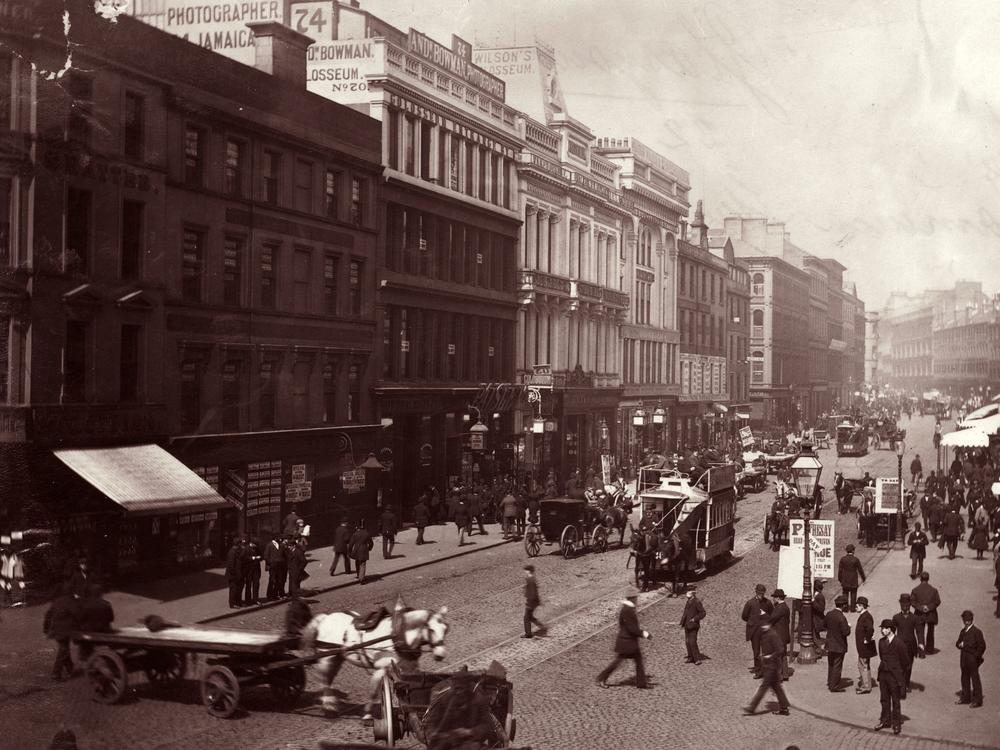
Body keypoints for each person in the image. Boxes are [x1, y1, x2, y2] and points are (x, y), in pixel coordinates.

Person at [596, 587, 651, 689]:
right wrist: (644, 634)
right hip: (627, 642)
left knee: (637, 660)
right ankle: (601, 678)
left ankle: (641, 683)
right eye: (636, 597)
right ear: (632, 598)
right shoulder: (627, 610)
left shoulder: (628, 609)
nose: (637, 599)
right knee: (619, 662)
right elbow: (632, 628)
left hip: (629, 641)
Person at [742, 613, 790, 716]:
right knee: (777, 688)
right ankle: (784, 707)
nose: (762, 627)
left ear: (768, 625)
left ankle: (752, 707)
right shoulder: (765, 633)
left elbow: (780, 649)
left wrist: (770, 656)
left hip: (772, 666)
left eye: (764, 625)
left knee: (763, 687)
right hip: (768, 665)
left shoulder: (772, 634)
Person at [874, 618, 906, 735]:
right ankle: (885, 720)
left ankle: (896, 723)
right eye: (882, 628)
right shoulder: (881, 642)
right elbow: (882, 657)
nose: (882, 630)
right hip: (883, 674)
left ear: (891, 630)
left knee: (895, 701)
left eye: (884, 628)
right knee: (884, 699)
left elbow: (905, 662)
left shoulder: (899, 643)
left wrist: (899, 674)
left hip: (894, 676)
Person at [43, 583, 80, 681]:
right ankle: (55, 674)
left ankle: (70, 669)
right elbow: (78, 614)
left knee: (64, 648)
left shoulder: (57, 601)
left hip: (56, 630)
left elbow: (48, 615)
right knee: (63, 650)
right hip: (65, 630)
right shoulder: (71, 601)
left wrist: (46, 629)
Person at [741, 583, 774, 678]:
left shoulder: (768, 603)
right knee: (756, 653)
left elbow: (772, 615)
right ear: (756, 592)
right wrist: (752, 622)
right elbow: (744, 616)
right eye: (760, 593)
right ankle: (758, 671)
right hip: (754, 632)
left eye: (763, 593)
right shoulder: (750, 603)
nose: (761, 595)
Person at [76, 583, 114, 662]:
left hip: (90, 631)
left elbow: (81, 618)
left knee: (82, 635)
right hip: (105, 631)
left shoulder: (85, 605)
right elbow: (111, 619)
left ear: (91, 593)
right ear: (101, 593)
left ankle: (84, 656)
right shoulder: (106, 604)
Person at [956, 609, 985, 707]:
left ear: (972, 620)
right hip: (964, 659)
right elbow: (957, 643)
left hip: (972, 659)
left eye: (968, 620)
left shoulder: (977, 632)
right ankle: (966, 697)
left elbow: (982, 646)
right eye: (965, 620)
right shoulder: (963, 631)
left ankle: (977, 700)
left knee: (975, 679)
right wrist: (959, 644)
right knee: (964, 678)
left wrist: (975, 656)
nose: (966, 622)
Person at [892, 593, 918, 693]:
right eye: (903, 605)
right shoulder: (896, 617)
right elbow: (892, 631)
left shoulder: (914, 618)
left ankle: (906, 684)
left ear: (910, 605)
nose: (905, 607)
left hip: (911, 646)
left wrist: (920, 643)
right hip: (899, 645)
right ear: (900, 605)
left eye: (907, 605)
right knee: (899, 665)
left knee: (908, 666)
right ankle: (900, 683)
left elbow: (919, 631)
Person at [910, 572, 941, 657]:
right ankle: (930, 649)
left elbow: (912, 602)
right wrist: (929, 607)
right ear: (928, 579)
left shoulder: (915, 590)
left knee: (920, 632)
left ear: (920, 579)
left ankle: (921, 650)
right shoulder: (934, 590)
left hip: (919, 614)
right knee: (930, 631)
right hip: (931, 614)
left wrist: (921, 608)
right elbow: (937, 601)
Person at [825, 595, 851, 692]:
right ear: (843, 605)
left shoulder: (829, 614)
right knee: (837, 665)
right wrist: (849, 627)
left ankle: (830, 681)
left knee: (831, 664)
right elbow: (846, 632)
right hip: (839, 645)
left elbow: (825, 625)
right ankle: (834, 685)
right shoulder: (842, 618)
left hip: (830, 643)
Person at [855, 596, 876, 694]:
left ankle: (866, 686)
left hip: (864, 647)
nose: (856, 607)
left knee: (863, 665)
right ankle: (866, 685)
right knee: (864, 665)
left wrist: (866, 639)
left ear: (862, 606)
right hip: (863, 646)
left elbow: (870, 629)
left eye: (858, 605)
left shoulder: (866, 616)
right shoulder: (865, 615)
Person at [680, 589, 705, 665]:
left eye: (688, 593)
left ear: (693, 594)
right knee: (687, 642)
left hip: (693, 625)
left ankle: (697, 659)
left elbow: (703, 613)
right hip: (687, 625)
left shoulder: (697, 602)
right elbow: (685, 613)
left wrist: (694, 619)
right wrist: (682, 622)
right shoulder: (688, 601)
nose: (686, 594)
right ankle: (690, 657)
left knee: (692, 642)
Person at [837, 544, 866, 611]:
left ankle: (845, 608)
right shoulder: (856, 559)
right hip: (853, 579)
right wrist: (863, 579)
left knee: (845, 594)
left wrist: (840, 579)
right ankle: (853, 608)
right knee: (853, 594)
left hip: (845, 580)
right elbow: (860, 570)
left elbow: (840, 571)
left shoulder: (843, 559)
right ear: (853, 551)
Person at [770, 589, 792, 680]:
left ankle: (779, 676)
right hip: (784, 635)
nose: (773, 599)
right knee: (783, 655)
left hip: (778, 636)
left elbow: (772, 619)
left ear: (778, 598)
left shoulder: (779, 608)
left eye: (774, 597)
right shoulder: (786, 607)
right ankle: (785, 674)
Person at [521, 565, 547, 639]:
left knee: (526, 618)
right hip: (533, 601)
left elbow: (533, 593)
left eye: (526, 570)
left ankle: (528, 634)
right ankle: (541, 626)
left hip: (531, 602)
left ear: (528, 571)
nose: (524, 572)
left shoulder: (530, 580)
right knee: (530, 617)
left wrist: (530, 603)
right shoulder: (531, 578)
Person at [349, 519, 373, 585]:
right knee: (363, 564)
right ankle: (361, 578)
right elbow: (371, 543)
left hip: (356, 550)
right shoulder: (367, 533)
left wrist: (349, 551)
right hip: (364, 550)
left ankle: (358, 574)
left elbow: (351, 544)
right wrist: (369, 548)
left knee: (357, 562)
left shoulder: (355, 533)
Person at [264, 535, 288, 600]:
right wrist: (271, 563)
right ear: (275, 538)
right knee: (272, 581)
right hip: (273, 566)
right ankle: (269, 595)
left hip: (280, 566)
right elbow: (266, 556)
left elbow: (284, 554)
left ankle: (275, 595)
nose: (280, 539)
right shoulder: (269, 545)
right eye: (279, 537)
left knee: (279, 581)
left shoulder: (280, 545)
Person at [225, 538, 246, 609]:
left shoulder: (236, 551)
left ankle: (238, 602)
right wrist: (236, 575)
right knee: (233, 589)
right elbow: (231, 566)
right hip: (233, 575)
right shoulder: (232, 552)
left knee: (238, 589)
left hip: (237, 574)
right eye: (240, 544)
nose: (241, 545)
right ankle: (232, 604)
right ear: (238, 544)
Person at [244, 540, 262, 606]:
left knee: (256, 585)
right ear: (251, 543)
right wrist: (253, 558)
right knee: (248, 585)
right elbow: (244, 558)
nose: (256, 546)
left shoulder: (257, 548)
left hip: (256, 570)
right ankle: (248, 600)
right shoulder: (246, 549)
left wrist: (260, 558)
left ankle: (255, 599)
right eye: (255, 545)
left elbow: (261, 555)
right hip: (249, 570)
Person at [812, 580, 827, 649]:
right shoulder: (816, 595)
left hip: (817, 620)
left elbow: (821, 609)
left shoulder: (820, 596)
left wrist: (813, 602)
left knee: (815, 637)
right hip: (814, 620)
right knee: (815, 636)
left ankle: (818, 651)